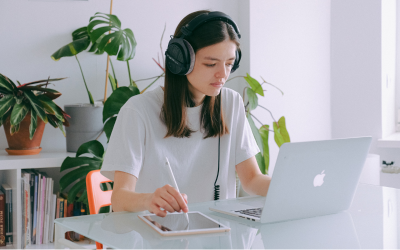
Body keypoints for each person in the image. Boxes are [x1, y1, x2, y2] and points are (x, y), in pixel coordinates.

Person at [100, 10, 271, 217]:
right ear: (180, 60)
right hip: (152, 236)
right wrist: (148, 199)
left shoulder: (231, 103)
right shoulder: (138, 111)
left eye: (229, 64)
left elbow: (252, 180)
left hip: (216, 237)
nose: (223, 74)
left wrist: (292, 187)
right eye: (211, 64)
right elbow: (119, 198)